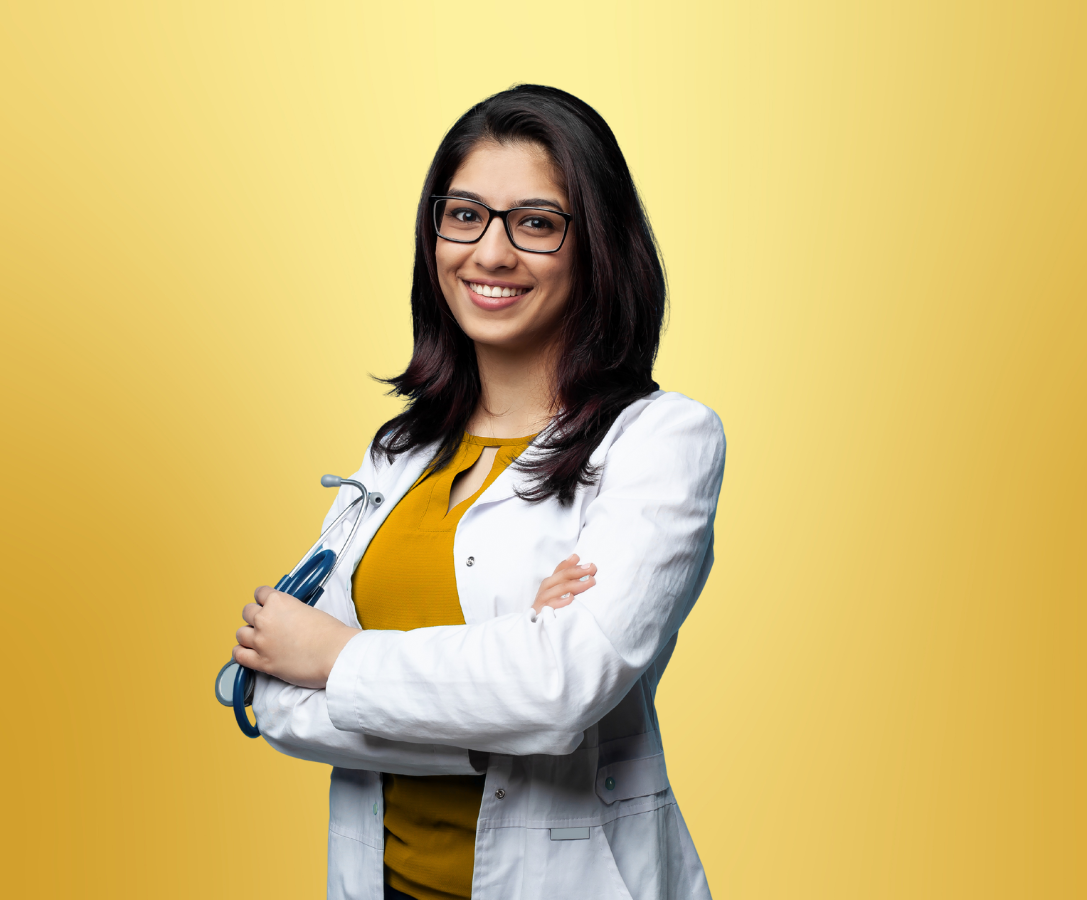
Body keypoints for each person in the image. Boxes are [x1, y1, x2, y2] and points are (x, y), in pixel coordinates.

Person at [232, 84, 725, 900]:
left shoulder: (662, 440)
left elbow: (560, 691)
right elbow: (271, 697)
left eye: (535, 223)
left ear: (595, 244)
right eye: (464, 215)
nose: (490, 254)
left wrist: (337, 659)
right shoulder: (398, 451)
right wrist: (501, 692)